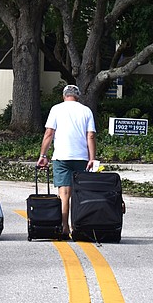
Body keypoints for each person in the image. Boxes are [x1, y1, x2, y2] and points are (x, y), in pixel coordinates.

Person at [36, 84, 96, 238]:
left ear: (64, 96)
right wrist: (92, 158)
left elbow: (49, 133)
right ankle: (79, 226)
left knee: (64, 194)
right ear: (78, 96)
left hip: (61, 157)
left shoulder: (56, 109)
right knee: (79, 194)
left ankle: (64, 227)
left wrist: (43, 156)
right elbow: (90, 136)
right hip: (81, 157)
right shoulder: (86, 110)